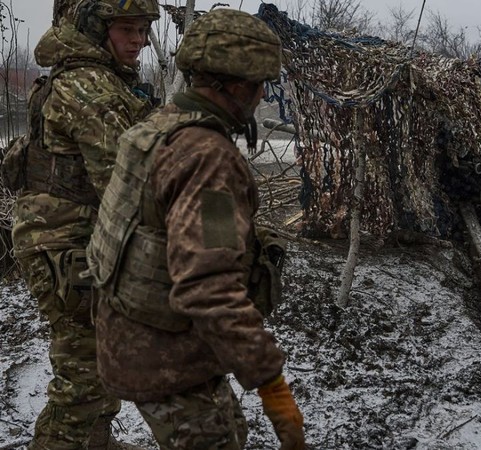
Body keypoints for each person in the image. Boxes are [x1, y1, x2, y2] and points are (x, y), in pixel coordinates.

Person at [85, 8, 305, 450]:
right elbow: (208, 286)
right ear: (237, 85)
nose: (263, 96)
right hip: (168, 358)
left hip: (133, 338)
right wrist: (272, 384)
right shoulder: (206, 158)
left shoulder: (158, 126)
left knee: (231, 431)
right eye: (261, 85)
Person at [8, 0, 159, 449]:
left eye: (144, 29)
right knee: (84, 379)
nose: (140, 40)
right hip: (62, 246)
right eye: (128, 29)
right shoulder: (90, 89)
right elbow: (127, 187)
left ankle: (95, 443)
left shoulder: (94, 78)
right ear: (97, 28)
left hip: (76, 239)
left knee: (101, 362)